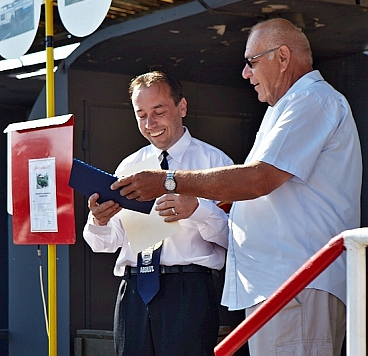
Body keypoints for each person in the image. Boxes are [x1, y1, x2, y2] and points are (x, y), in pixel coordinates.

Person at [112, 18, 362, 356]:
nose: (245, 73)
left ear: (283, 57)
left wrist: (168, 181)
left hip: (296, 284)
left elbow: (259, 178)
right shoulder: (287, 107)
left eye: (251, 62)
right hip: (279, 286)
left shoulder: (312, 101)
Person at [83, 71, 234, 356]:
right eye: (141, 115)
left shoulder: (215, 163)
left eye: (159, 111)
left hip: (189, 291)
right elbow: (105, 243)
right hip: (134, 290)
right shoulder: (129, 165)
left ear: (182, 108)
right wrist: (99, 220)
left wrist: (197, 210)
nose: (150, 124)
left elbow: (236, 238)